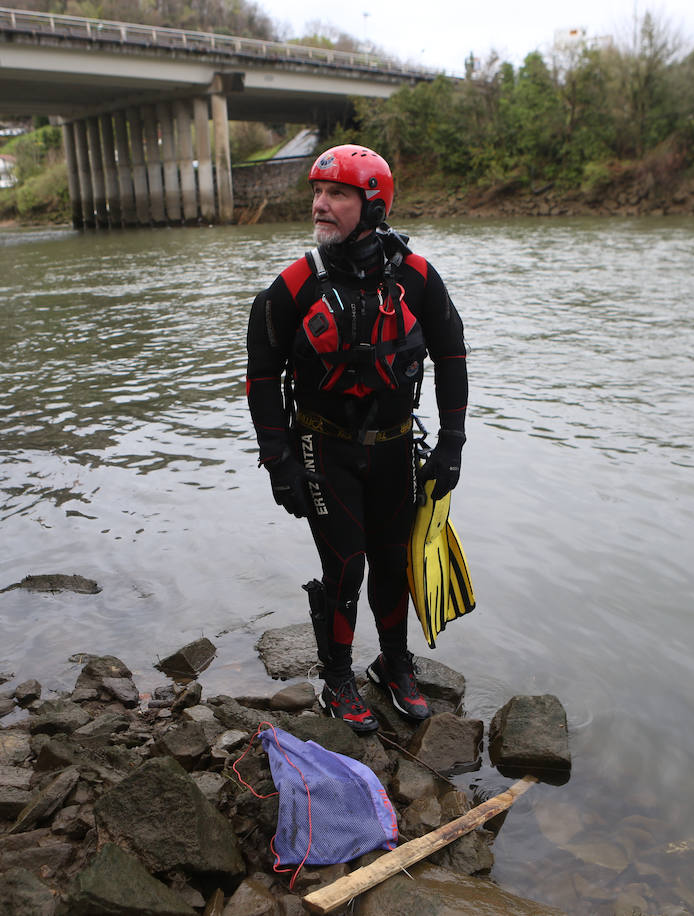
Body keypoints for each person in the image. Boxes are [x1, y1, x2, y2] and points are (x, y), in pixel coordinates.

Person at [244, 144, 469, 734]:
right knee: (346, 567)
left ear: (373, 205)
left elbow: (452, 354)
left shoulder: (418, 278)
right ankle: (338, 677)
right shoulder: (293, 286)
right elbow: (261, 375)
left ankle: (394, 663)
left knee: (394, 562)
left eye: (336, 194)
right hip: (325, 449)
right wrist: (279, 463)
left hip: (396, 447)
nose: (320, 204)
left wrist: (451, 444)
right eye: (316, 192)